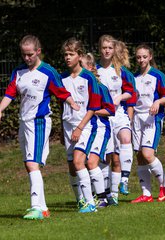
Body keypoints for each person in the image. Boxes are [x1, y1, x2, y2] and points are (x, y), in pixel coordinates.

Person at [0, 35, 79, 220]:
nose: (27, 58)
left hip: (39, 122)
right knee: (29, 164)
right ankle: (44, 207)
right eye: (24, 55)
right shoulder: (19, 72)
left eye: (30, 54)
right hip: (24, 122)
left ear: (38, 52)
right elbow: (10, 92)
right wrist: (0, 108)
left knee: (33, 163)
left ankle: (35, 208)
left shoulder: (48, 71)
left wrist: (73, 103)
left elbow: (61, 91)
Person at [60, 38, 102, 213]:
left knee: (79, 162)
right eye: (65, 55)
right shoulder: (61, 78)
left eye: (71, 54)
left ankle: (91, 203)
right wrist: (64, 130)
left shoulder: (89, 78)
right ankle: (80, 201)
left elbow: (93, 107)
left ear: (80, 55)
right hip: (68, 126)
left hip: (85, 126)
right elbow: (60, 105)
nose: (68, 58)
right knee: (72, 167)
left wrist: (79, 128)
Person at [96, 35, 136, 205]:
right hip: (102, 117)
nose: (107, 50)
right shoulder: (94, 70)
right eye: (104, 47)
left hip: (118, 114)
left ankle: (124, 180)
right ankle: (107, 196)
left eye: (110, 48)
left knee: (126, 138)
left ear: (114, 50)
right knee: (106, 157)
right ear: (99, 49)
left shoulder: (120, 70)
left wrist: (119, 97)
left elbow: (131, 92)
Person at [130, 44, 165, 203]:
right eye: (139, 57)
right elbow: (132, 100)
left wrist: (158, 102)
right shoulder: (133, 77)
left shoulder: (158, 75)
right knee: (140, 156)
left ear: (150, 57)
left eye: (144, 57)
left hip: (152, 119)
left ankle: (164, 185)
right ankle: (146, 193)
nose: (141, 60)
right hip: (137, 120)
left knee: (148, 154)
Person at [81, 52, 116, 208]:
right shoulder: (80, 87)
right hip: (88, 129)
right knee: (83, 162)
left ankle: (103, 198)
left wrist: (92, 111)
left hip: (101, 129)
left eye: (81, 67)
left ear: (90, 68)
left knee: (92, 162)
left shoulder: (100, 88)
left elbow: (110, 110)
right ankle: (96, 195)